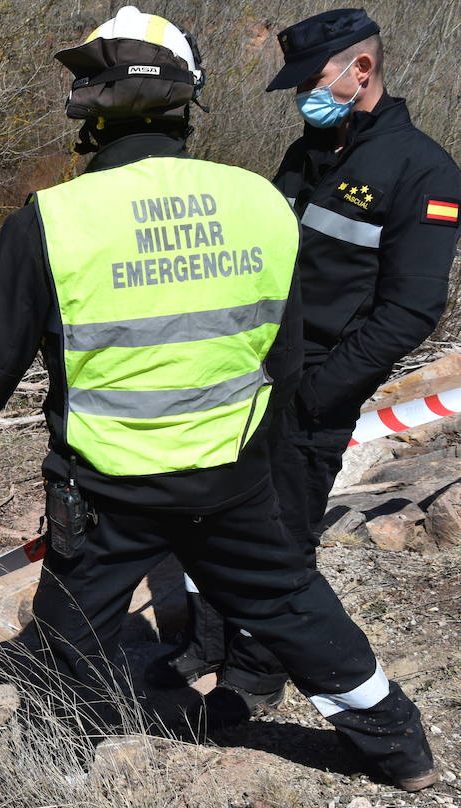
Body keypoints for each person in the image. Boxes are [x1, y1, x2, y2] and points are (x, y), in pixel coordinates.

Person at [0, 6, 437, 790]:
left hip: (109, 490)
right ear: (187, 106)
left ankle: (59, 774)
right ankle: (399, 746)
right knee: (293, 603)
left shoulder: (50, 222)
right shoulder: (258, 200)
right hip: (233, 474)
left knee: (71, 629)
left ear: (90, 120)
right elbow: (282, 357)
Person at [155, 8, 461, 716]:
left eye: (311, 81)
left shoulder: (423, 170)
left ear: (362, 70)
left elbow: (411, 311)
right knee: (208, 516)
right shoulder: (308, 152)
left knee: (280, 537)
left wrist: (317, 392)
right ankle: (207, 644)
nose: (301, 97)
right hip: (242, 374)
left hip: (312, 391)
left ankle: (254, 678)